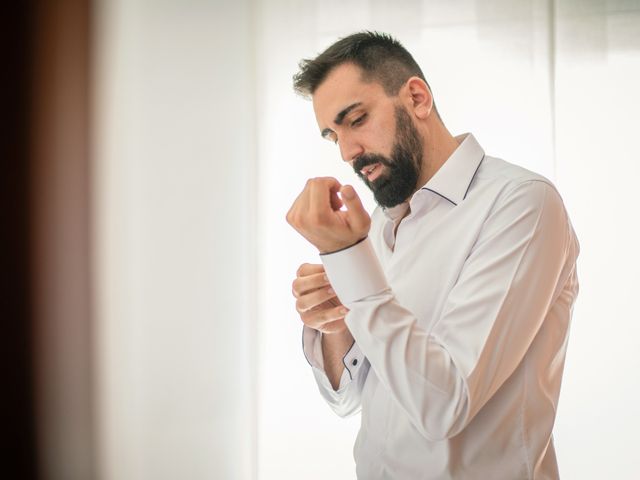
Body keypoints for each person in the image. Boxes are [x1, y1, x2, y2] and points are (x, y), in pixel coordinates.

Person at [286, 31, 579, 480]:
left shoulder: (521, 204)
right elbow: (349, 398)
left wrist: (349, 259)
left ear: (417, 98)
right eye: (333, 136)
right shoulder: (380, 225)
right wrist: (335, 325)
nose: (347, 153)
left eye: (357, 119)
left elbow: (445, 405)